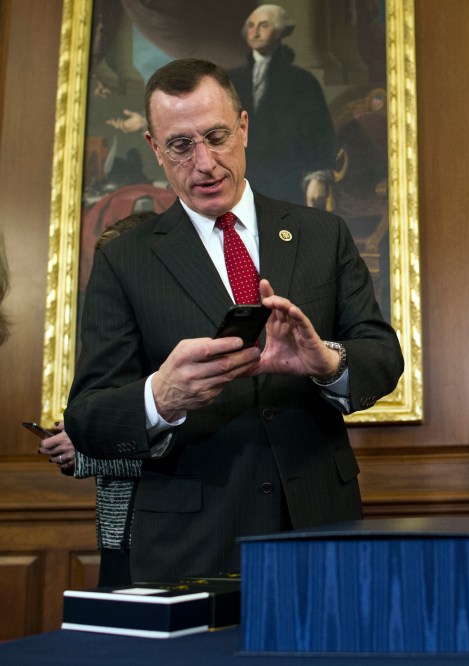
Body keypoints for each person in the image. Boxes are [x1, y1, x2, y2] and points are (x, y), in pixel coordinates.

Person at [64, 58, 404, 583]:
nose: (205, 162)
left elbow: (383, 356)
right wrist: (161, 398)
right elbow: (87, 418)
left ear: (243, 128)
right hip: (191, 544)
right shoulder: (124, 260)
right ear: (155, 149)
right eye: (180, 145)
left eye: (217, 136)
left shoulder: (321, 234)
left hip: (317, 527)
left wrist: (326, 362)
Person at [38, 213, 156, 587]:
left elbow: (186, 449)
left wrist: (87, 451)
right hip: (119, 533)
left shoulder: (175, 345)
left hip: (163, 535)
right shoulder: (113, 343)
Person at [228, 4, 336, 205]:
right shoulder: (230, 80)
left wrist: (318, 176)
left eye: (264, 25)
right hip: (239, 180)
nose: (256, 32)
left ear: (279, 31)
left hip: (286, 182)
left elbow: (319, 132)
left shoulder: (302, 81)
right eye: (251, 26)